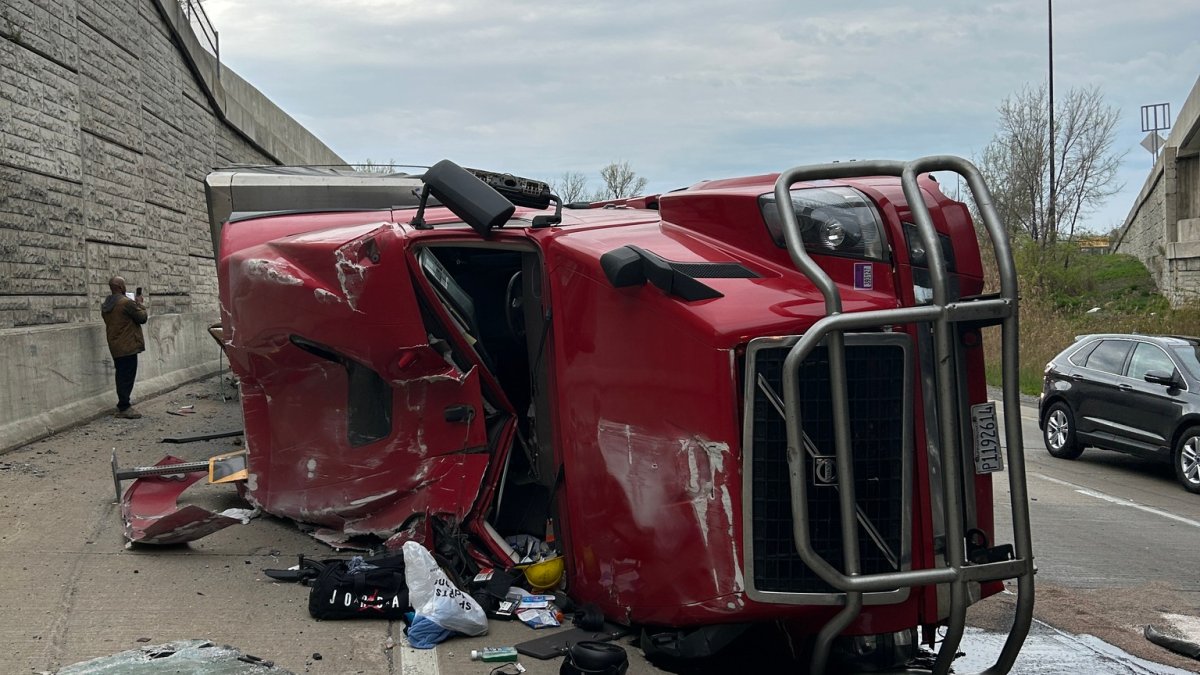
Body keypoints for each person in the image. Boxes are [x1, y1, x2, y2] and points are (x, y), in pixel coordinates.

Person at [101, 276, 148, 419]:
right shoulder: (126, 303)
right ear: (121, 287)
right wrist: (139, 303)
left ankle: (123, 404)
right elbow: (142, 318)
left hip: (115, 345)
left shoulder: (106, 305)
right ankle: (124, 407)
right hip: (128, 345)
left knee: (121, 375)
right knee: (127, 376)